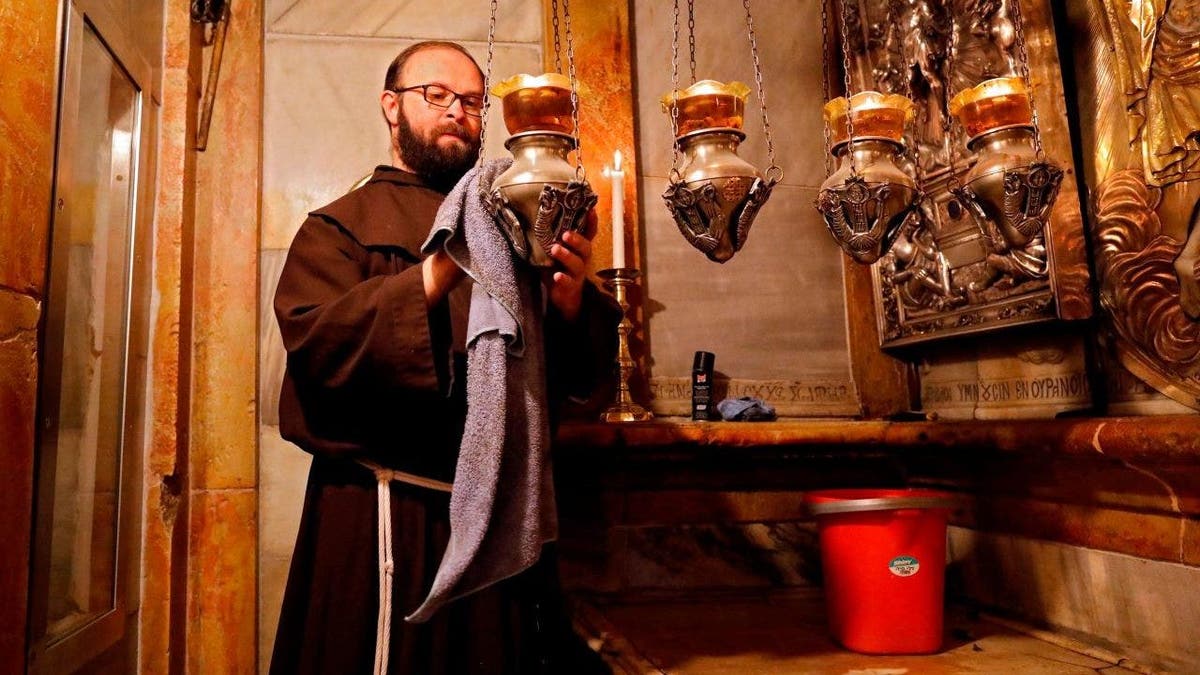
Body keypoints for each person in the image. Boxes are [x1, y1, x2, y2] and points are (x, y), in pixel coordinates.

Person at [270, 40, 617, 675]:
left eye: (472, 102)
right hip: (382, 517)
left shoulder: (512, 224)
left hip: (498, 523)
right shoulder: (338, 227)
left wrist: (569, 305)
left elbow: (568, 387)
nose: (457, 111)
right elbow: (318, 349)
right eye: (436, 96)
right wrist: (440, 270)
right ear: (391, 106)